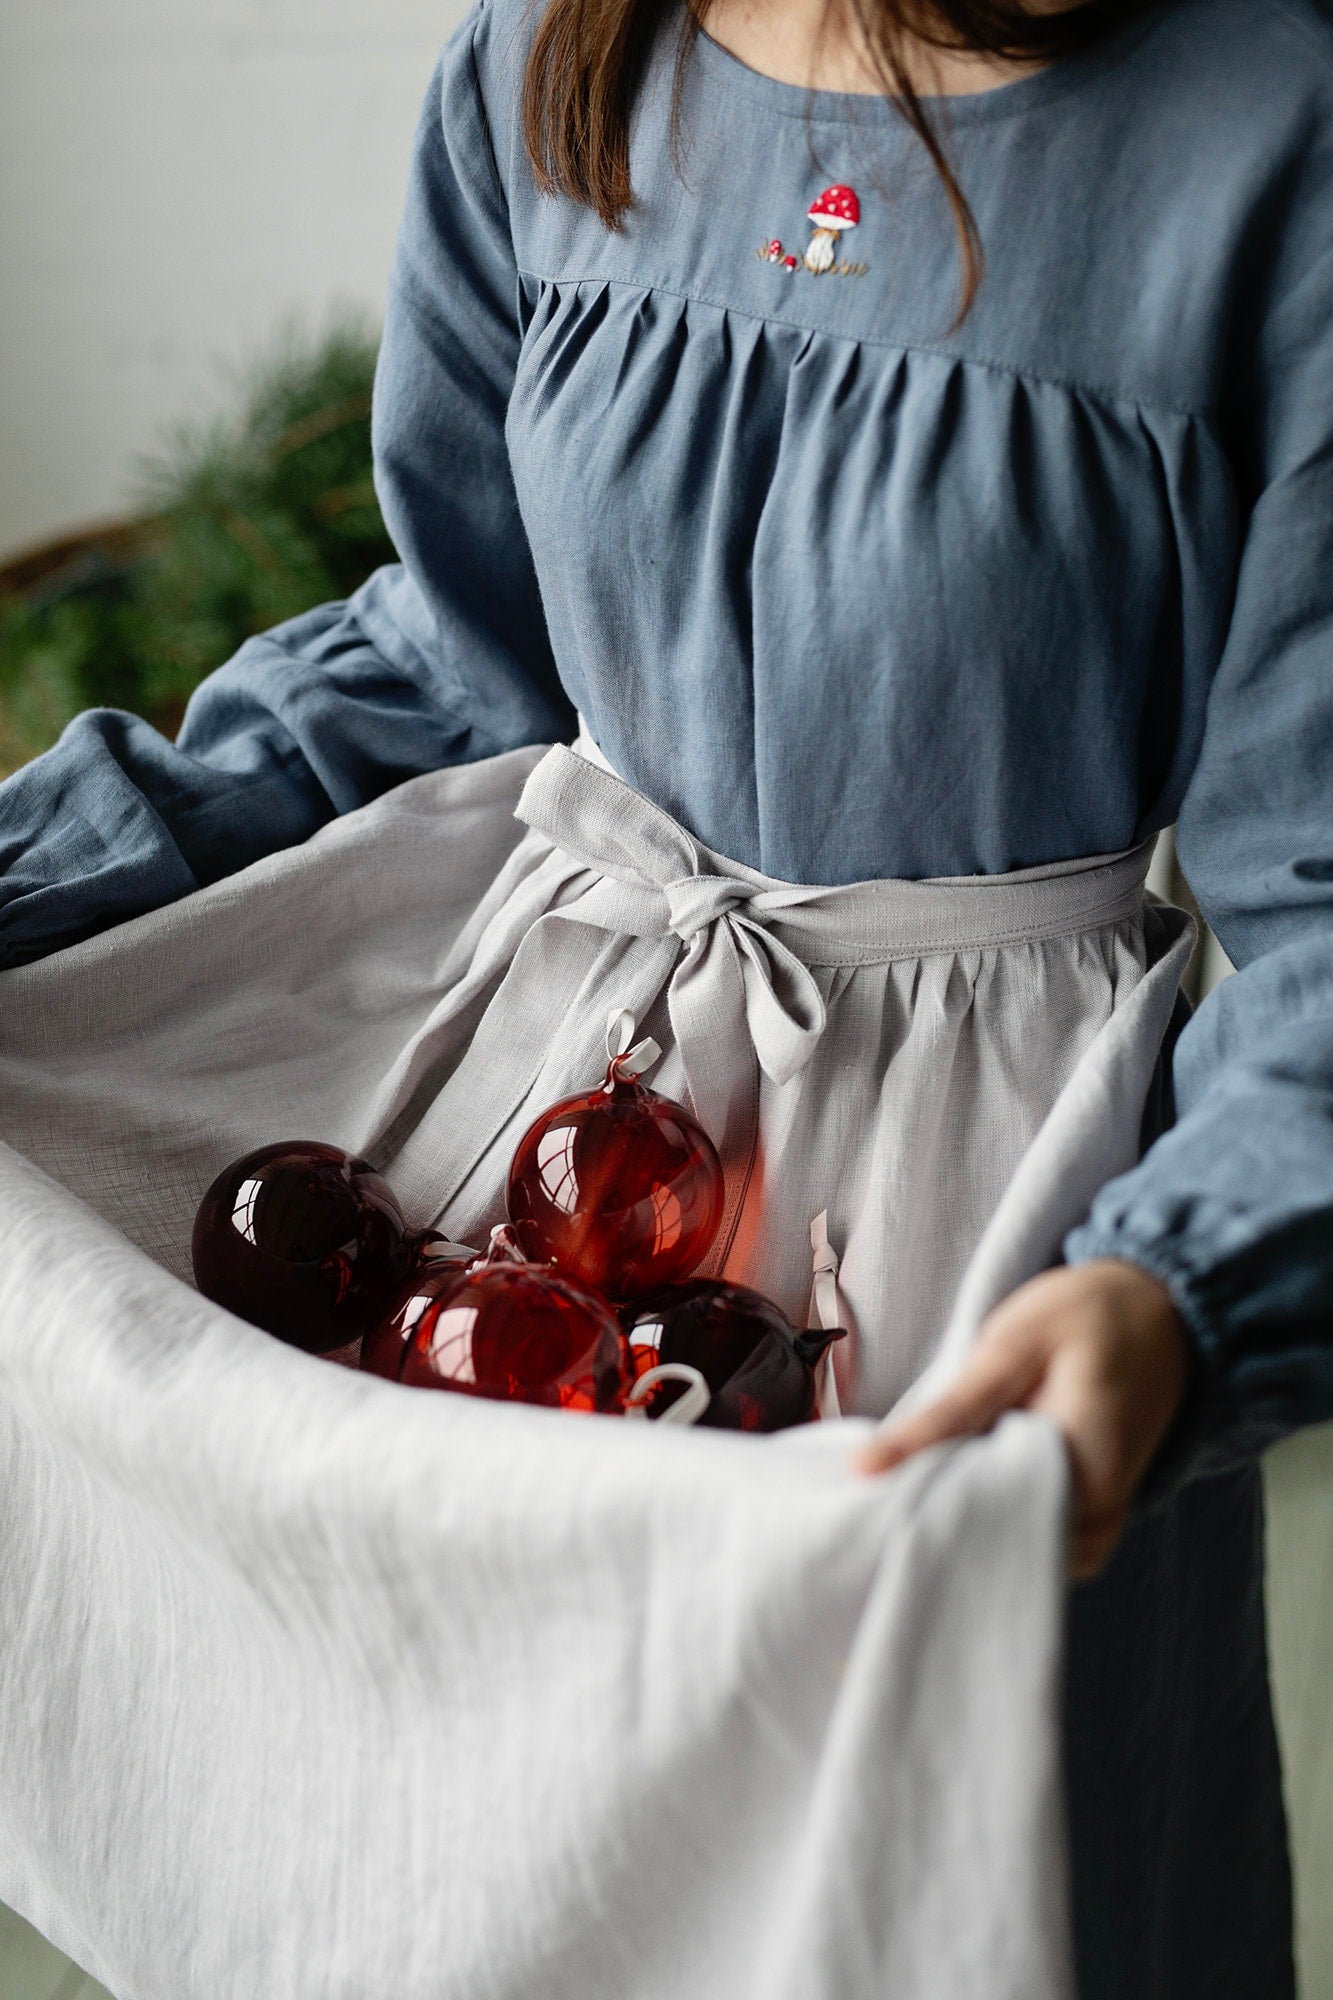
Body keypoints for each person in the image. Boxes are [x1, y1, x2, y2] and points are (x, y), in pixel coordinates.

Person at [1, 0, 1330, 1991]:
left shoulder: (1276, 128)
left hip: (984, 1255)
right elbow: (445, 652)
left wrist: (1175, 1292)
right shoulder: (550, 55)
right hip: (531, 1186)